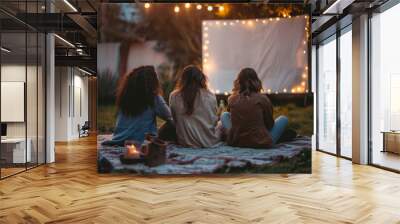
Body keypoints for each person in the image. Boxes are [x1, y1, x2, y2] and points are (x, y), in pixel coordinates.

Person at [103, 66, 173, 146]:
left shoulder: (125, 95)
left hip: (119, 139)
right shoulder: (154, 97)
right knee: (171, 124)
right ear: (152, 82)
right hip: (142, 142)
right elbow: (170, 117)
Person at [220, 68, 289, 148]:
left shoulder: (231, 99)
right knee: (283, 119)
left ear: (238, 82)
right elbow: (270, 125)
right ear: (256, 81)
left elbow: (233, 119)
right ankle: (279, 137)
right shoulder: (263, 99)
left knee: (224, 115)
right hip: (260, 143)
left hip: (236, 142)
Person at [169, 65, 221, 148]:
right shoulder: (210, 95)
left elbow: (175, 120)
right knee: (222, 123)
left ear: (183, 80)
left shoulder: (174, 95)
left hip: (184, 142)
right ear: (201, 79)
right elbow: (214, 122)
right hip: (208, 142)